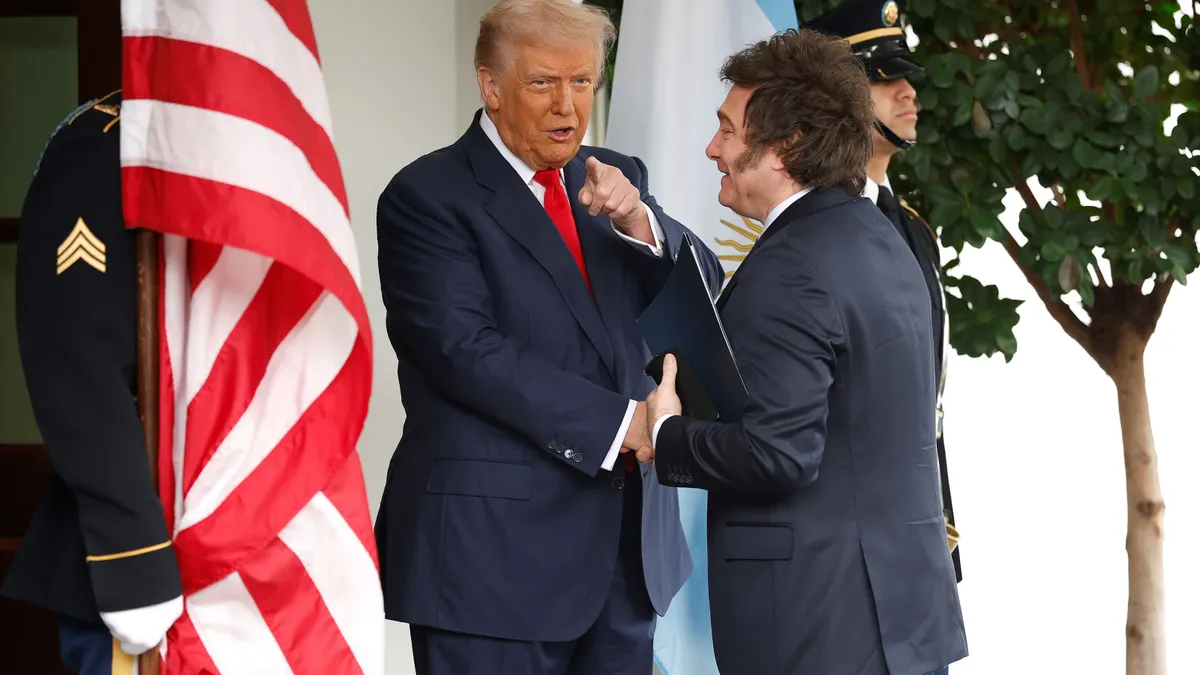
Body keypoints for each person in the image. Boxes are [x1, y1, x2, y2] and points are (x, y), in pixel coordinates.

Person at [372, 1, 723, 673]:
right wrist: (626, 424)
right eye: (543, 83)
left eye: (583, 81)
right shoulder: (427, 196)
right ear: (491, 85)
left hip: (625, 563)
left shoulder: (615, 178)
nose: (568, 105)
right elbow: (464, 352)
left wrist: (641, 222)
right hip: (490, 567)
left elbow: (704, 289)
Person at [635, 28, 967, 675]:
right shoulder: (883, 237)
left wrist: (668, 430)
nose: (711, 147)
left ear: (783, 150)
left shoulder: (793, 265)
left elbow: (779, 452)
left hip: (817, 628)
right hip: (896, 621)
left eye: (727, 130)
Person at [1, 90, 184, 673]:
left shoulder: (256, 129)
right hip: (140, 548)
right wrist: (138, 562)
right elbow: (78, 364)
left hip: (252, 545)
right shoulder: (106, 140)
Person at [804, 0, 963, 593]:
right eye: (881, 76)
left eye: (905, 76)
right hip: (844, 548)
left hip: (917, 528)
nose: (907, 91)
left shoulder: (914, 228)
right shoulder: (811, 225)